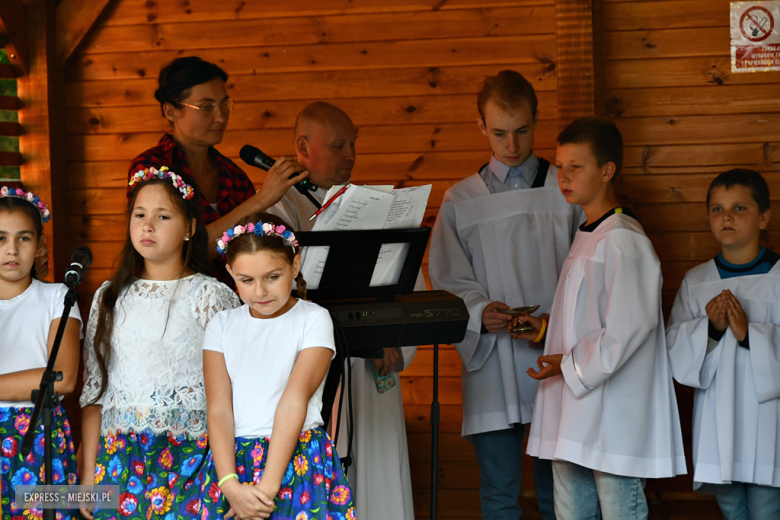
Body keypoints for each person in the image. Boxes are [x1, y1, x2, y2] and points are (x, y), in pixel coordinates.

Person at [513, 116, 686, 519]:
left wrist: (568, 363)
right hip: (573, 406)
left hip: (613, 411)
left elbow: (630, 327)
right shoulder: (589, 233)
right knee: (571, 509)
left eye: (577, 166)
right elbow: (589, 314)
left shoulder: (623, 238)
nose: (564, 176)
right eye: (559, 165)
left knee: (617, 507)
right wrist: (545, 330)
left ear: (607, 171)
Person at [429, 70, 580, 519]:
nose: (511, 145)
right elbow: (449, 276)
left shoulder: (566, 190)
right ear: (481, 126)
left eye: (521, 131)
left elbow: (586, 270)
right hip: (492, 357)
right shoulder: (461, 200)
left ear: (536, 121)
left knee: (561, 493)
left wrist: (550, 324)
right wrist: (478, 310)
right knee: (498, 493)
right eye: (498, 133)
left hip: (552, 352)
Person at [267, 101, 421, 520]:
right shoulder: (280, 212)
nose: (350, 155)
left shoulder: (371, 206)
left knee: (380, 482)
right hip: (317, 374)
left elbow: (406, 285)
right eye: (338, 146)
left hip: (372, 372)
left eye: (352, 144)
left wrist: (392, 340)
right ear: (303, 147)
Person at [79, 168, 240, 519]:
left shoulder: (211, 296)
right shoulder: (109, 296)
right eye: (139, 215)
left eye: (162, 216)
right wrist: (89, 475)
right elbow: (94, 392)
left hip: (195, 459)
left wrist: (232, 475)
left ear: (190, 228)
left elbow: (236, 392)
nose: (147, 226)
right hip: (120, 459)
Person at [203, 212, 355, 519]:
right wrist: (230, 484)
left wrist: (266, 490)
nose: (260, 291)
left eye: (273, 277)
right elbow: (218, 408)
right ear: (230, 272)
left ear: (295, 266)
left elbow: (293, 400)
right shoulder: (221, 325)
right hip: (232, 464)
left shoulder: (313, 319)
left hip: (296, 459)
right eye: (246, 280)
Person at [666, 169, 780, 519]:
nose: (726, 217)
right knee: (730, 506)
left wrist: (750, 334)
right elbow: (673, 346)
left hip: (768, 417)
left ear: (763, 217)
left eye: (739, 208)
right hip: (717, 412)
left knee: (765, 507)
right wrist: (711, 330)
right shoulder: (696, 281)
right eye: (717, 209)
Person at [129, 56, 307, 255]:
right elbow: (178, 253)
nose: (221, 117)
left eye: (224, 104)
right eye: (206, 107)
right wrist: (262, 199)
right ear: (171, 111)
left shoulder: (234, 175)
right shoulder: (150, 168)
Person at [0, 187, 82, 519]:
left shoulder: (57, 297)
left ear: (39, 245)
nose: (11, 249)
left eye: (23, 238)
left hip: (39, 435)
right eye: (0, 238)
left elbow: (61, 378)